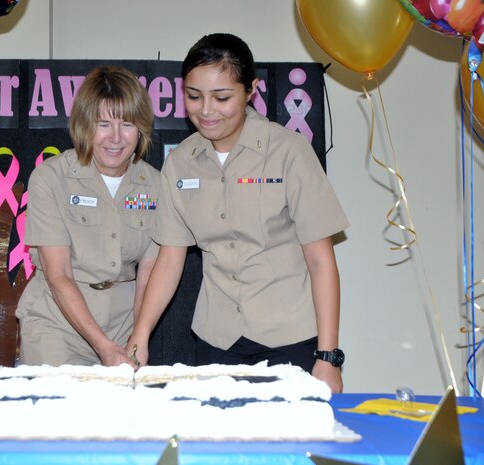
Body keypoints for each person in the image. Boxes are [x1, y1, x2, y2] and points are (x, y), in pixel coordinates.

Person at [126, 33, 349, 392]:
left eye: (222, 97)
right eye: (194, 96)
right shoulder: (181, 163)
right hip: (217, 341)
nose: (206, 110)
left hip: (289, 339)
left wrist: (328, 356)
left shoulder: (289, 152)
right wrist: (140, 335)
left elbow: (321, 262)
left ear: (252, 91)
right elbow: (169, 260)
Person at [16, 66, 159, 367]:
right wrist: (103, 347)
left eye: (128, 124)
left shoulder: (156, 185)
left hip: (123, 327)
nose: (116, 138)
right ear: (84, 125)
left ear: (142, 128)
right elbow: (59, 276)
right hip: (57, 326)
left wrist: (138, 337)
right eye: (103, 124)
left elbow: (148, 276)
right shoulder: (51, 178)